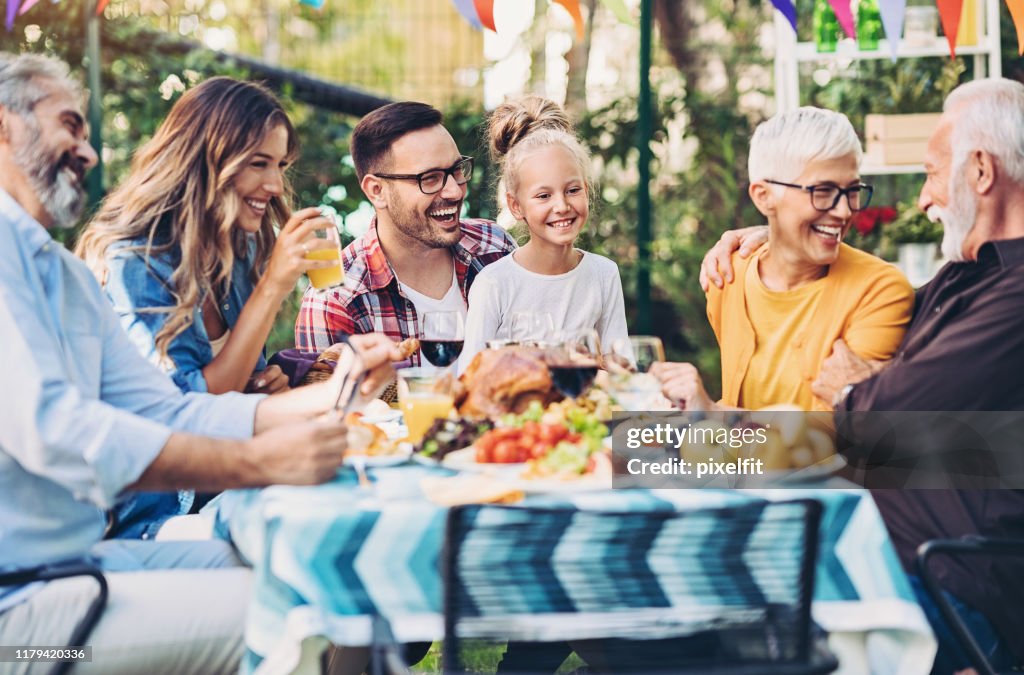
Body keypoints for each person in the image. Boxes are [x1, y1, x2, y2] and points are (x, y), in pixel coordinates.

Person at [0, 52, 398, 674]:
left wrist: (339, 389)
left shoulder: (65, 276)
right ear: (5, 126)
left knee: (323, 578)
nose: (89, 151)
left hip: (76, 566)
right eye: (71, 125)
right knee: (296, 617)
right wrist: (258, 461)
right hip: (18, 623)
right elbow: (56, 432)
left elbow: (170, 410)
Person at [697, 79, 1024, 674]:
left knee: (710, 607)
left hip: (944, 576)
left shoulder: (1015, 295)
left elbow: (861, 424)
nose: (925, 199)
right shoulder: (969, 278)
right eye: (825, 191)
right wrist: (772, 236)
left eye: (930, 174)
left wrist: (854, 394)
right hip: (868, 538)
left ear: (980, 171)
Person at [75, 77, 343, 539]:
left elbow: (232, 384)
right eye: (259, 164)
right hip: (153, 516)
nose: (276, 185)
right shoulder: (135, 262)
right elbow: (187, 410)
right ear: (208, 160)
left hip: (223, 486)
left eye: (280, 165)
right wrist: (274, 285)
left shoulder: (232, 251)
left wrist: (260, 384)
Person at [654, 107, 913, 412]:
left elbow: (833, 434)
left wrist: (712, 414)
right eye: (823, 190)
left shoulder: (880, 290)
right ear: (763, 196)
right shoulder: (727, 276)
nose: (844, 211)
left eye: (852, 190)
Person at [293, 101, 518, 367]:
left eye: (457, 171)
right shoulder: (335, 301)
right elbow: (331, 406)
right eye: (430, 178)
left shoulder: (494, 247)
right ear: (377, 191)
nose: (455, 191)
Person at [457, 95, 628, 368]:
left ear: (586, 189)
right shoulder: (495, 284)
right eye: (543, 196)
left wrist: (601, 366)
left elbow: (621, 367)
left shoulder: (604, 274)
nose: (561, 206)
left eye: (572, 190)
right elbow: (470, 373)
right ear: (516, 205)